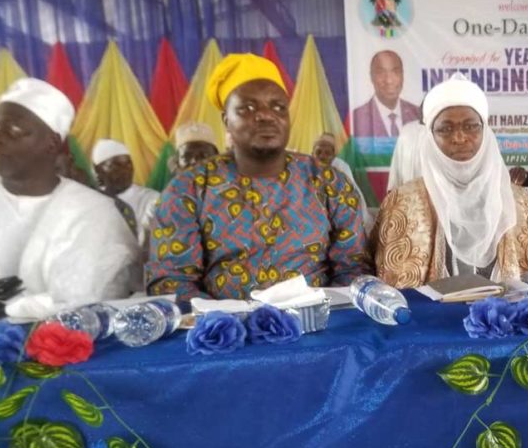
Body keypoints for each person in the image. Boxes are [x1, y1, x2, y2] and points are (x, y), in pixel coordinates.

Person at [146, 54, 372, 301]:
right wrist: (224, 320)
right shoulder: (188, 189)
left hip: (317, 319)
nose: (266, 115)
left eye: (278, 107)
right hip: (221, 322)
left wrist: (321, 313)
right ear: (226, 121)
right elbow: (171, 281)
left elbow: (353, 269)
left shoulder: (330, 183)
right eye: (248, 108)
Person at [0, 78, 138, 317]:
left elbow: (91, 301)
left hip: (62, 338)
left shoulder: (96, 213)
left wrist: (5, 311)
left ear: (52, 143)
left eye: (13, 130)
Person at [373, 74, 528, 288]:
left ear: (485, 131)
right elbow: (393, 289)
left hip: (509, 308)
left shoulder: (518, 200)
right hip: (431, 309)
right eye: (445, 129)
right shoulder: (404, 201)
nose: (459, 138)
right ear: (430, 136)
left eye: (470, 126)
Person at [92, 139, 161, 244]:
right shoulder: (92, 201)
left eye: (128, 164)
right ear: (98, 170)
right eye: (116, 165)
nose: (125, 170)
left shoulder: (151, 199)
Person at [351, 50, 421, 137]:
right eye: (381, 73)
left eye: (395, 72)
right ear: (371, 77)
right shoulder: (356, 118)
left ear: (402, 75)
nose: (389, 80)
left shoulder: (418, 114)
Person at [312, 132, 373, 230]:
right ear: (312, 153)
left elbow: (352, 199)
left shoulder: (341, 167)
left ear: (334, 154)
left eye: (327, 152)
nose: (322, 156)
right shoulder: (306, 167)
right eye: (319, 152)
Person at [387, 120, 425, 191]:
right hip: (406, 192)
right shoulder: (407, 130)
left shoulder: (439, 132)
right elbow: (396, 162)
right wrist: (393, 189)